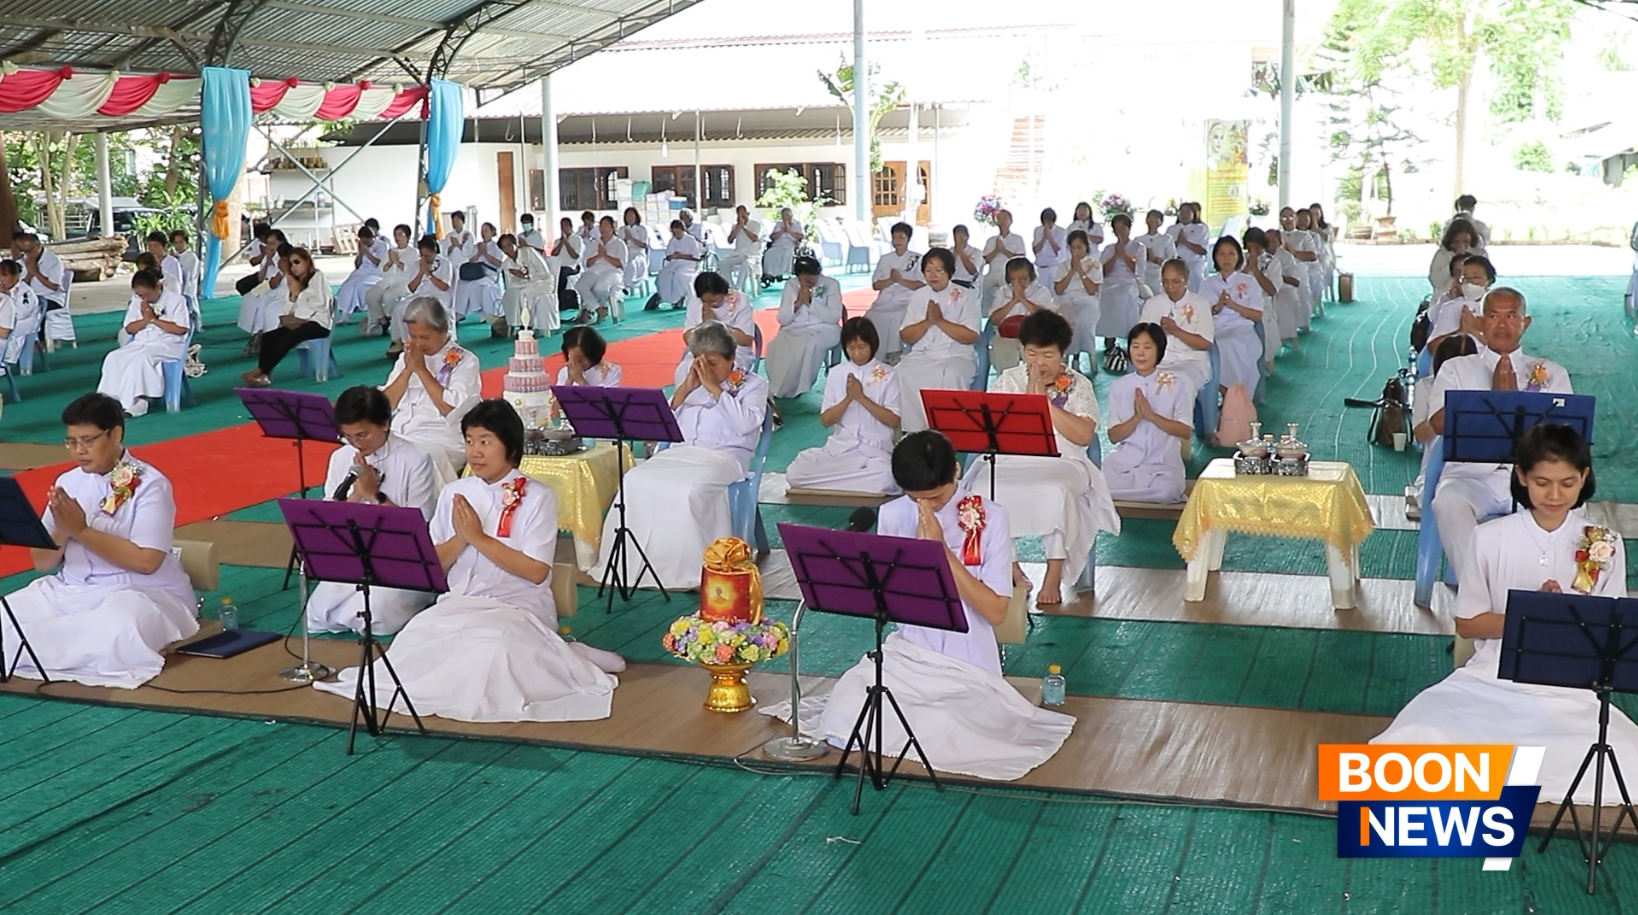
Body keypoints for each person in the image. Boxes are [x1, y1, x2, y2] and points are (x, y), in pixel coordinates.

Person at [1372, 426, 1638, 804]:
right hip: (1492, 679)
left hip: (1570, 693)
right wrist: (1534, 615)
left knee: (1624, 761)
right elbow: (1469, 623)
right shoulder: (1491, 536)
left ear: (1584, 479)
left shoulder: (1605, 542)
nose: (1555, 495)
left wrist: (1562, 620)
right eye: (1542, 482)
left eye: (1567, 483)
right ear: (1522, 477)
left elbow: (1610, 630)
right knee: (1414, 738)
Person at [318, 399, 624, 722]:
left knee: (491, 652)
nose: (474, 451)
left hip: (517, 606)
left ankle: (562, 655)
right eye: (468, 441)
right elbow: (432, 564)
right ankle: (559, 653)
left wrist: (479, 538)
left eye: (485, 442)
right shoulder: (455, 492)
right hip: (461, 602)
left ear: (509, 445)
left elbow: (536, 572)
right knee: (416, 638)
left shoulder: (537, 496)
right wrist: (461, 539)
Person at [803, 431, 1075, 780]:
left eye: (936, 497)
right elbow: (890, 597)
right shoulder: (892, 514)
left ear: (956, 472)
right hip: (910, 648)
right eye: (915, 498)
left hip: (966, 655)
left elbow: (994, 612)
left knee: (944, 721)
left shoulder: (990, 516)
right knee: (849, 701)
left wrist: (941, 553)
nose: (926, 507)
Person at [0, 394, 198, 687]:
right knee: (6, 617)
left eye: (88, 440)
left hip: (139, 591)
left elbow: (147, 562)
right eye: (71, 442)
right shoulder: (68, 482)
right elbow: (42, 563)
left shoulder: (150, 483)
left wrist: (81, 531)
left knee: (117, 630)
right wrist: (63, 530)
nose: (79, 451)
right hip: (71, 588)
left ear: (116, 433)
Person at [593, 321, 769, 590]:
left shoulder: (753, 385)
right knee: (634, 481)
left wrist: (715, 389)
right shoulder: (690, 378)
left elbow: (746, 424)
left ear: (731, 358)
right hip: (679, 453)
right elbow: (662, 423)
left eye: (714, 363)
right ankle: (635, 564)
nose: (707, 370)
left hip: (724, 458)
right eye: (702, 362)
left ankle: (694, 568)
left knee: (689, 492)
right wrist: (686, 388)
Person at [964, 310, 1117, 605]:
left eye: (1047, 355)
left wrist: (1045, 405)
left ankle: (1054, 573)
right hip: (1011, 457)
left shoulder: (1077, 384)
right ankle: (1012, 570)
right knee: (982, 491)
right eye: (1031, 354)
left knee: (1054, 490)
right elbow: (991, 428)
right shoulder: (1009, 379)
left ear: (1062, 353)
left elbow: (1084, 436)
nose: (1038, 363)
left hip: (1065, 460)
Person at [1426, 287, 1572, 574]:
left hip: (1536, 479)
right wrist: (1494, 400)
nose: (1502, 324)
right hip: (1472, 476)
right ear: (1480, 322)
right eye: (1493, 316)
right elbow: (1438, 423)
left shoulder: (1551, 372)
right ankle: (1480, 589)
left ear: (1524, 323)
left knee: (1575, 507)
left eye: (1511, 316)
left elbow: (1567, 433)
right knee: (1448, 501)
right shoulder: (1456, 369)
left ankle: (1549, 591)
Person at [305, 385, 439, 635]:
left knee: (374, 616)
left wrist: (373, 495)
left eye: (362, 435)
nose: (355, 443)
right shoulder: (341, 457)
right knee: (318, 613)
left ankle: (419, 600)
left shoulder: (416, 459)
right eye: (348, 436)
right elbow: (329, 517)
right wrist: (356, 494)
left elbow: (419, 525)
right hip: (355, 555)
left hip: (401, 559)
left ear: (386, 424)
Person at [785, 316, 901, 494]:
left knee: (886, 476)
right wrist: (848, 399)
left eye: (862, 347)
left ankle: (833, 483)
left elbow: (893, 421)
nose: (857, 353)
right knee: (795, 473)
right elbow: (826, 420)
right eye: (851, 348)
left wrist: (861, 397)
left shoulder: (888, 373)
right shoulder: (837, 373)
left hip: (875, 451)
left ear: (873, 345)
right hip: (841, 449)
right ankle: (857, 483)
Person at [384, 297, 482, 485]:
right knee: (353, 453)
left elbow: (450, 409)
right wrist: (407, 371)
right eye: (413, 336)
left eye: (424, 337)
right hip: (400, 431)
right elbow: (384, 406)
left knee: (417, 459)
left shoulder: (466, 361)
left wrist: (421, 370)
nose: (418, 343)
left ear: (444, 329)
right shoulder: (407, 357)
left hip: (441, 438)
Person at [1104, 323, 1193, 503]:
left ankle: (1125, 495)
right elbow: (1113, 436)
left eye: (1147, 347)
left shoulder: (1176, 384)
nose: (1140, 353)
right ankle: (1139, 494)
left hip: (1162, 465)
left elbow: (1185, 431)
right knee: (1099, 481)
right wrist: (1137, 418)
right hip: (1126, 463)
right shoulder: (1119, 386)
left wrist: (1151, 416)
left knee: (1167, 491)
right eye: (1135, 347)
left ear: (1159, 350)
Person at [897, 248, 981, 433]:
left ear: (949, 272)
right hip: (923, 355)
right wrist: (928, 321)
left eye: (939, 270)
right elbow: (906, 335)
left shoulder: (966, 296)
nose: (933, 275)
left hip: (956, 355)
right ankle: (914, 432)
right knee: (900, 373)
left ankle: (948, 432)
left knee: (950, 374)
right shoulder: (919, 295)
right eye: (928, 270)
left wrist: (940, 321)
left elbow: (971, 336)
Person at [97, 269, 192, 416]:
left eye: (147, 294)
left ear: (158, 286)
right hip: (141, 343)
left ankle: (138, 402)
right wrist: (146, 319)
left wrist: (154, 319)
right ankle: (110, 401)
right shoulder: (137, 302)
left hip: (168, 344)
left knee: (141, 359)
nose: (144, 298)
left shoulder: (176, 300)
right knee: (114, 357)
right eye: (140, 295)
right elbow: (129, 328)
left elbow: (181, 329)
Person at [239, 246, 333, 388]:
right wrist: (293, 295)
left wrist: (299, 293)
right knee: (269, 337)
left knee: (289, 338)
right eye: (290, 264)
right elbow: (289, 309)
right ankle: (264, 373)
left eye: (297, 262)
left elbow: (321, 304)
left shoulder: (318, 277)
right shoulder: (295, 280)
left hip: (319, 323)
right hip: (301, 322)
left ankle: (262, 371)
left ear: (307, 262)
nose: (293, 267)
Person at [1409, 334, 1480, 508]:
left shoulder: (1484, 385)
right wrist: (1442, 417)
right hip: (1438, 462)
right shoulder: (1426, 386)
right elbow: (1420, 435)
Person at [764, 256, 844, 398]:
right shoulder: (791, 285)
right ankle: (780, 387)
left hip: (824, 328)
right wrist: (797, 304)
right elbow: (782, 319)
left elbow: (833, 317)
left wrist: (810, 302)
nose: (807, 282)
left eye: (811, 278)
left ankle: (798, 387)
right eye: (803, 279)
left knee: (809, 344)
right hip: (795, 327)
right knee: (776, 344)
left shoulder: (831, 284)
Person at [1137, 259, 1215, 401]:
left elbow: (1205, 343)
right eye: (1165, 282)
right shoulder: (1153, 304)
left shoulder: (1201, 304)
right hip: (1160, 362)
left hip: (1191, 362)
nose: (1170, 287)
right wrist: (1158, 334)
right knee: (1142, 387)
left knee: (1176, 386)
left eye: (1175, 282)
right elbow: (1141, 339)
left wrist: (1176, 331)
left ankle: (1179, 422)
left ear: (1186, 280)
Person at [1198, 236, 1264, 394]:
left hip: (1241, 329)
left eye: (1231, 253)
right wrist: (1218, 306)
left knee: (1232, 344)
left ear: (1238, 257)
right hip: (1215, 328)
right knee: (1216, 344)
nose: (1226, 258)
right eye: (1222, 254)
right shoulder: (1207, 283)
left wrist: (1233, 305)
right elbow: (1201, 314)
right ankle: (1224, 393)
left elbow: (1257, 315)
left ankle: (1237, 395)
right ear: (1215, 257)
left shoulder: (1249, 281)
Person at [675, 271, 756, 384]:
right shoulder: (695, 302)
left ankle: (723, 399)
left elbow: (746, 339)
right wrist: (703, 328)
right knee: (686, 369)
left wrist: (715, 324)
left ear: (724, 292)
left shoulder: (740, 301)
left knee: (722, 370)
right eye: (705, 301)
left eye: (713, 301)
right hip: (702, 349)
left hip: (734, 351)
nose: (709, 305)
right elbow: (687, 337)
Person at [864, 222, 924, 358]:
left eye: (901, 237)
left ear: (908, 239)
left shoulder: (917, 258)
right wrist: (891, 280)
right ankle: (875, 355)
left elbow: (921, 284)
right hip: (885, 302)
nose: (897, 241)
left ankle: (894, 355)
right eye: (895, 237)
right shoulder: (885, 259)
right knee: (870, 319)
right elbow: (876, 285)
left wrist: (901, 281)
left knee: (898, 318)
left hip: (906, 301)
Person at [987, 257, 1056, 374]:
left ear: (1031, 276)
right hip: (1006, 336)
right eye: (1013, 279)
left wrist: (1023, 299)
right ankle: (1006, 382)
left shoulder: (1041, 291)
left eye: (1022, 279)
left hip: (1034, 335)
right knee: (999, 347)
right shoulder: (1002, 292)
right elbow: (994, 320)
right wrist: (1013, 301)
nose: (1018, 283)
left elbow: (1045, 317)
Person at [390, 235, 454, 356]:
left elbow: (444, 286)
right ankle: (406, 343)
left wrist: (428, 273)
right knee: (400, 309)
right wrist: (420, 271)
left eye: (428, 256)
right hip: (419, 295)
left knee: (429, 310)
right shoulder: (417, 265)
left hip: (438, 295)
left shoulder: (445, 263)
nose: (425, 258)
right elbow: (411, 288)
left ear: (434, 250)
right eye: (422, 255)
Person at [1097, 213, 1145, 371]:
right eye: (1116, 229)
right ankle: (1109, 338)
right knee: (1105, 296)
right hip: (1110, 282)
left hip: (1128, 282)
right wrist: (1116, 254)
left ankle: (1130, 338)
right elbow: (1102, 271)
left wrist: (1123, 255)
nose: (1120, 232)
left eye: (1123, 228)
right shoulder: (1109, 248)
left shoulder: (1138, 247)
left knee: (1124, 297)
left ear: (1129, 228)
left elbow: (1138, 271)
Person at [1425, 254, 1495, 354]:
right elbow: (1433, 347)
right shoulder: (1451, 307)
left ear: (1489, 280)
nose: (1470, 282)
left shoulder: (1498, 306)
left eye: (1476, 277)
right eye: (1465, 277)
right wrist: (1461, 331)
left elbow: (1504, 350)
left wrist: (1475, 332)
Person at [1050, 230, 1102, 365]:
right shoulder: (1063, 266)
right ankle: (1067, 355)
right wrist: (1072, 270)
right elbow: (1059, 290)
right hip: (1066, 301)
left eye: (1079, 247)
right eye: (1073, 248)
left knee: (1081, 322)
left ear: (1086, 247)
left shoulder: (1095, 264)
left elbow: (1091, 291)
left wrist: (1080, 271)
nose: (1076, 251)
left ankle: (1082, 355)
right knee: (1065, 321)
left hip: (1086, 301)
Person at [497, 232, 557, 335]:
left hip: (543, 282)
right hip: (524, 285)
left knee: (524, 295)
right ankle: (513, 324)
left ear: (515, 244)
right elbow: (511, 285)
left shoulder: (529, 252)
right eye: (504, 247)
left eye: (509, 245)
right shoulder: (506, 264)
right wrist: (519, 277)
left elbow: (545, 273)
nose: (508, 249)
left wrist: (527, 276)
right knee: (510, 295)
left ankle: (527, 326)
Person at [573, 215, 628, 325]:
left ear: (613, 228)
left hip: (612, 271)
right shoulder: (594, 242)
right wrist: (598, 255)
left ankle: (589, 309)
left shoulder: (619, 243)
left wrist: (605, 255)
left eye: (606, 226)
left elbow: (621, 263)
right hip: (594, 271)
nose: (603, 229)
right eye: (601, 226)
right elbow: (587, 262)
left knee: (600, 287)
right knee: (580, 285)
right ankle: (599, 309)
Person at [363, 224, 415, 337]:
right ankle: (383, 321)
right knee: (370, 295)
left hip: (403, 282)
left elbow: (412, 270)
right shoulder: (389, 251)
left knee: (388, 296)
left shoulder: (413, 252)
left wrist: (397, 262)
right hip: (386, 282)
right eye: (395, 234)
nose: (397, 237)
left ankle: (393, 319)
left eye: (400, 234)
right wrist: (389, 263)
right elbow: (380, 271)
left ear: (407, 236)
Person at [1243, 228, 1281, 370]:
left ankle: (1266, 361)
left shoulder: (1272, 262)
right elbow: (1232, 283)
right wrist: (1247, 268)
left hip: (1262, 303)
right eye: (1250, 247)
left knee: (1263, 328)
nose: (1253, 251)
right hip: (1241, 304)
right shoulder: (1239, 258)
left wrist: (1256, 270)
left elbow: (1272, 290)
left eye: (1257, 247)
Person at [1263, 228, 1305, 352]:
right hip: (1263, 289)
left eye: (1272, 240)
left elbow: (1296, 281)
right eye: (1266, 240)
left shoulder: (1286, 257)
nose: (1269, 243)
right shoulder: (1260, 256)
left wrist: (1275, 276)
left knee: (1285, 301)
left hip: (1284, 288)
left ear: (1279, 242)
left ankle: (1288, 335)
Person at [454, 222, 504, 321]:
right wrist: (479, 252)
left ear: (492, 232)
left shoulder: (497, 246)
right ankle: (460, 312)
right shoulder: (477, 246)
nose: (483, 233)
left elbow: (499, 263)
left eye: (486, 231)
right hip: (476, 273)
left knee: (478, 285)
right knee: (461, 284)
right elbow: (471, 260)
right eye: (482, 231)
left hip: (490, 275)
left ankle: (485, 312)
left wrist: (485, 254)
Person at [1277, 207, 1317, 330]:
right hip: (1280, 269)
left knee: (1302, 292)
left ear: (1295, 218)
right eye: (1284, 217)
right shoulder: (1277, 235)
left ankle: (1304, 322)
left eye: (1290, 216)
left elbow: (1312, 256)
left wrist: (1293, 252)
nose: (1288, 219)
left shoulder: (1304, 235)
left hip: (1299, 268)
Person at [980, 209, 1026, 312]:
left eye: (1005, 219)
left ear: (1010, 221)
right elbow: (985, 259)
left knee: (1006, 295)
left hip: (1008, 273)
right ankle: (985, 316)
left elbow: (1021, 258)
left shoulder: (1017, 239)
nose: (1002, 222)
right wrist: (996, 250)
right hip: (992, 272)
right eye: (999, 219)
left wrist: (1003, 250)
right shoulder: (991, 240)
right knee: (982, 291)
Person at [338, 225, 386, 320]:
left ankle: (357, 310)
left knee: (359, 286)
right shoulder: (361, 245)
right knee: (347, 286)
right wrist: (360, 253)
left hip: (376, 273)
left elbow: (379, 264)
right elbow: (357, 265)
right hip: (361, 272)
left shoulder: (382, 245)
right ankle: (345, 313)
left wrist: (367, 253)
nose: (365, 243)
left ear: (372, 238)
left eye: (366, 241)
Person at [1428, 217, 1485, 294]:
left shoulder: (1480, 254)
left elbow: (1486, 279)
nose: (1461, 245)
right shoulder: (1442, 254)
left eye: (1465, 241)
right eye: (1457, 242)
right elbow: (1436, 282)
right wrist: (1454, 261)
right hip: (1445, 298)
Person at [655, 219, 703, 308]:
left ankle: (679, 298)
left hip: (689, 264)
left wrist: (681, 256)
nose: (676, 235)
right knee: (663, 274)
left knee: (679, 274)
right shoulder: (672, 240)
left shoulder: (691, 240)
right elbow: (668, 256)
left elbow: (696, 257)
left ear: (682, 229)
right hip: (675, 263)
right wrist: (673, 256)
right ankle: (665, 297)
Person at [555, 325, 622, 388]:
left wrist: (581, 380)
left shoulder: (610, 371)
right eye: (573, 357)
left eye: (581, 358)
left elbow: (607, 399)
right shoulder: (564, 372)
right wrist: (570, 380)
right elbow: (558, 399)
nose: (578, 362)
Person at [0, 259, 38, 365]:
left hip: (22, 324)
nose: (1, 279)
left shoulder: (26, 292)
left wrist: (8, 297)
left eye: (5, 275)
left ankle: (4, 359)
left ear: (16, 276)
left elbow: (20, 314)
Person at [1166, 203, 1209, 292]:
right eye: (1182, 212)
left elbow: (1203, 250)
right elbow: (1166, 249)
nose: (1184, 215)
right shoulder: (1171, 229)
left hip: (1195, 263)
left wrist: (1185, 242)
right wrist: (1178, 242)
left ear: (1193, 214)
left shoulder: (1200, 229)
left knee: (1195, 276)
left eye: (1187, 212)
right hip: (1176, 263)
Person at [718, 205, 763, 290]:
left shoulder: (756, 225)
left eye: (743, 214)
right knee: (723, 263)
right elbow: (730, 240)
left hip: (752, 255)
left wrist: (744, 227)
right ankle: (731, 286)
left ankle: (738, 287)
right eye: (739, 215)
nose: (742, 217)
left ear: (748, 214)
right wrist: (738, 227)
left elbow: (754, 238)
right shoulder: (735, 227)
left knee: (745, 265)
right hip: (737, 254)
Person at [1134, 209, 1177, 296]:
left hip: (1159, 276)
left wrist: (1156, 259)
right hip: (1143, 276)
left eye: (1156, 219)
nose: (1153, 222)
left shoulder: (1166, 239)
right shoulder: (1138, 240)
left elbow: (1172, 261)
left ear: (1161, 222)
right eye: (1151, 219)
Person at [551, 216, 585, 313]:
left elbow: (575, 256)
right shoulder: (558, 241)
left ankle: (560, 297)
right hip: (559, 266)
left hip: (572, 266)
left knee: (562, 272)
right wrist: (562, 242)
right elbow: (554, 254)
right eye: (562, 226)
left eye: (565, 226)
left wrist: (567, 243)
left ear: (570, 227)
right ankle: (555, 298)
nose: (564, 228)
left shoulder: (577, 239)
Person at [762, 207, 805, 280]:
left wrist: (789, 231)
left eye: (788, 215)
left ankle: (782, 273)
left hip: (790, 245)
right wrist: (782, 230)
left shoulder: (797, 224)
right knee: (769, 253)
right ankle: (769, 273)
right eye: (785, 216)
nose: (787, 217)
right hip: (778, 245)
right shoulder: (779, 224)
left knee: (786, 253)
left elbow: (801, 236)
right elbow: (772, 236)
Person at [619, 207, 650, 292]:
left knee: (632, 264)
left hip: (638, 253)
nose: (630, 218)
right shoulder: (622, 229)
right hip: (625, 252)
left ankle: (627, 285)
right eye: (628, 216)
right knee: (622, 263)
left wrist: (631, 238)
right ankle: (621, 285)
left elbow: (644, 245)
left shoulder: (642, 229)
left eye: (631, 216)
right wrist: (625, 239)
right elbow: (620, 244)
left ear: (636, 217)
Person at [1032, 207, 1069, 276]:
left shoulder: (1061, 231)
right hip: (1040, 266)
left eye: (1049, 222)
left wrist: (1049, 237)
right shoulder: (1038, 230)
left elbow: (1059, 251)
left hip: (1054, 266)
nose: (1047, 224)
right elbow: (1035, 250)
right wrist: (1044, 237)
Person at [169, 229, 200, 307]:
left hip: (187, 291)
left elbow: (187, 275)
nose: (178, 245)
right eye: (175, 243)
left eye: (181, 242)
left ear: (186, 242)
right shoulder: (173, 257)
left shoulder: (191, 257)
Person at [949, 224, 982, 288]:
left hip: (967, 282)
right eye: (956, 237)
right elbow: (946, 268)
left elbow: (973, 271)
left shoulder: (976, 252)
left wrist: (961, 251)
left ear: (967, 237)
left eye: (961, 237)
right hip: (951, 282)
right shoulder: (949, 252)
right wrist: (955, 252)